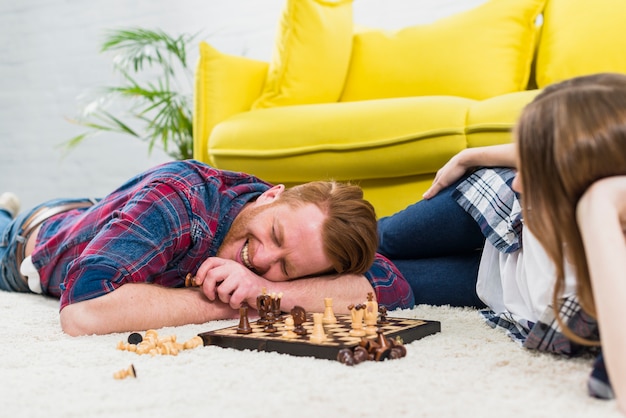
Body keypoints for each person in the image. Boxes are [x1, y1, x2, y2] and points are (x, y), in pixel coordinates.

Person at [378, 73, 626, 411]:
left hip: (495, 288)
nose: (519, 184)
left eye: (534, 173)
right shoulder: (516, 190)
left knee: (382, 283)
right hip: (492, 209)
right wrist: (470, 156)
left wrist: (600, 206)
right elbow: (565, 148)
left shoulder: (607, 232)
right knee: (379, 239)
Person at [0, 161, 414, 336]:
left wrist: (266, 291)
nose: (264, 259)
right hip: (28, 245)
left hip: (102, 219)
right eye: (276, 235)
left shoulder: (310, 238)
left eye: (287, 267)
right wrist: (240, 304)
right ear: (271, 196)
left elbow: (391, 286)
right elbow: (82, 313)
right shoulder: (180, 201)